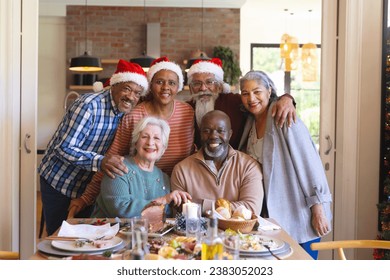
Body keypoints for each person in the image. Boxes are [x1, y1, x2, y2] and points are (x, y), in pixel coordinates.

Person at [69, 56, 195, 217]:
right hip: (134, 186)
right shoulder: (134, 115)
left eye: (172, 82)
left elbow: (192, 153)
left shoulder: (188, 113)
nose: (165, 87)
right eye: (159, 82)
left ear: (179, 87)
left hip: (169, 186)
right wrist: (86, 198)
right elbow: (112, 159)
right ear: (150, 85)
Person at [38, 60, 149, 235]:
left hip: (87, 187)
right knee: (59, 237)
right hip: (59, 182)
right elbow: (64, 148)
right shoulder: (89, 105)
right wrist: (101, 161)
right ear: (114, 85)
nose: (131, 97)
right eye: (127, 89)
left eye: (137, 93)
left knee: (84, 237)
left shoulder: (126, 113)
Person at [237, 70, 332, 259]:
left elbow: (309, 164)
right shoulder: (249, 122)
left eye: (257, 92)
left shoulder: (284, 116)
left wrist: (318, 209)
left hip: (298, 212)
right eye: (245, 93)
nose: (251, 98)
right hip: (269, 216)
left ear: (269, 90)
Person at [92, 116, 191, 218]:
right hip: (108, 231)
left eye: (156, 138)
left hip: (148, 233)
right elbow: (120, 210)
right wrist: (163, 200)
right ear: (135, 143)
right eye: (144, 137)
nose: (150, 142)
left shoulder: (164, 178)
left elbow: (163, 217)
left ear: (164, 148)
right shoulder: (118, 167)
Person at [187, 57, 297, 149]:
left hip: (236, 166)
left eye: (209, 82)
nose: (203, 88)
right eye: (196, 83)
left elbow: (261, 102)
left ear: (219, 86)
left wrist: (287, 98)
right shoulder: (187, 108)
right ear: (191, 87)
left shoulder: (235, 101)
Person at [171, 110, 264, 215]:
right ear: (200, 134)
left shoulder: (249, 166)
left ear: (230, 134)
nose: (213, 136)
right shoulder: (181, 170)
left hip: (238, 231)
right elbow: (180, 212)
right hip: (197, 231)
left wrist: (202, 205)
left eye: (220, 131)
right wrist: (227, 208)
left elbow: (251, 209)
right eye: (206, 131)